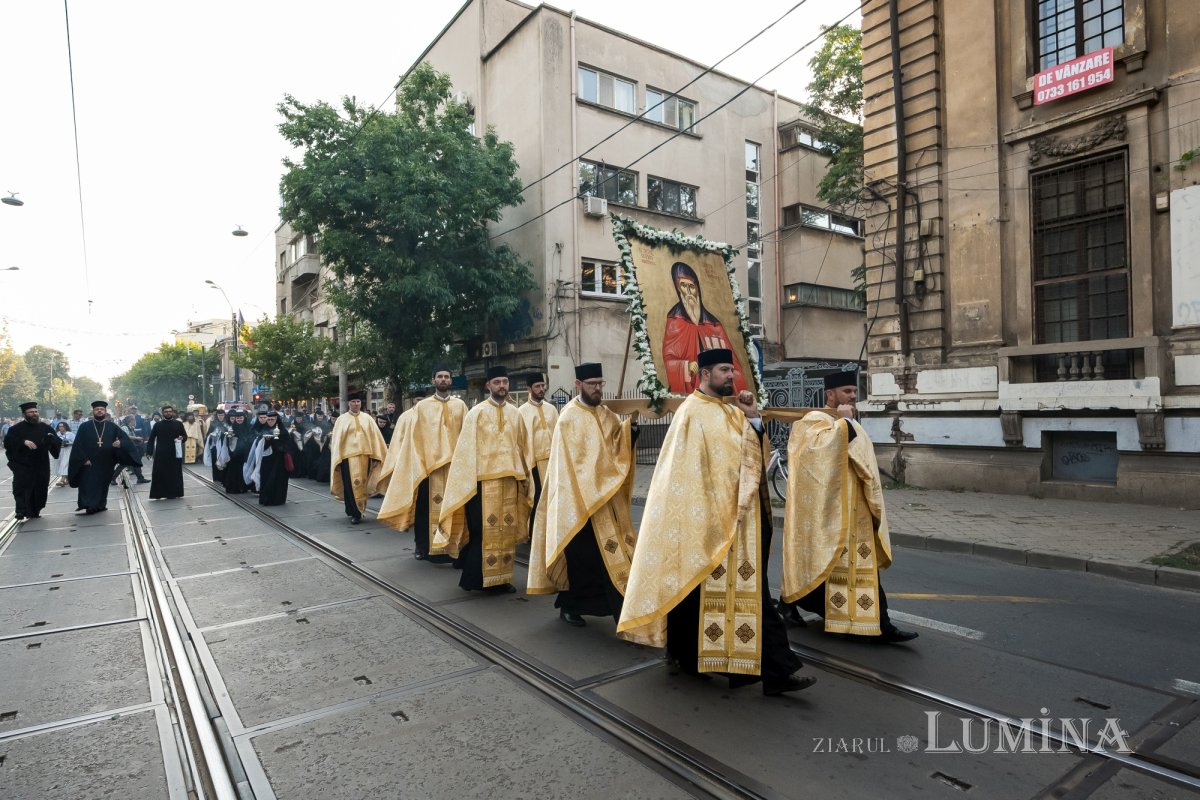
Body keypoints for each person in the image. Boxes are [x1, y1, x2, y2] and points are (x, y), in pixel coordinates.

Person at [617, 349, 814, 696]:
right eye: (724, 370)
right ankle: (684, 655)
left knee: (751, 598)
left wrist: (753, 418)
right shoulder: (690, 414)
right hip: (701, 521)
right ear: (704, 373)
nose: (731, 377)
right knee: (692, 592)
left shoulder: (732, 412)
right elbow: (679, 476)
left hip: (736, 522)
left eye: (732, 370)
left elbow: (753, 458)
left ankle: (777, 672)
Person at [779, 370, 918, 644]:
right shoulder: (812, 422)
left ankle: (880, 623)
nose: (853, 397)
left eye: (855, 392)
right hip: (830, 513)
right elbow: (814, 457)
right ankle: (792, 603)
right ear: (830, 395)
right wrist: (844, 424)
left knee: (864, 568)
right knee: (825, 567)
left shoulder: (848, 421)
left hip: (857, 513)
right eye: (846, 392)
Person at [528, 363, 637, 626]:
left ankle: (622, 611)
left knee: (613, 556)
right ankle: (570, 606)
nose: (598, 389)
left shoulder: (607, 413)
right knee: (582, 560)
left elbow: (615, 445)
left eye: (600, 383)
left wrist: (629, 433)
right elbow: (568, 466)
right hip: (577, 503)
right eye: (592, 385)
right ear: (579, 385)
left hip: (604, 499)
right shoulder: (568, 418)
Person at [438, 366, 534, 594]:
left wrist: (526, 477)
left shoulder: (516, 413)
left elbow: (523, 448)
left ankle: (501, 578)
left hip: (510, 481)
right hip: (483, 484)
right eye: (497, 382)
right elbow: (465, 452)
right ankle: (479, 579)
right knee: (484, 532)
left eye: (505, 382)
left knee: (506, 532)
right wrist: (466, 484)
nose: (502, 386)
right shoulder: (476, 413)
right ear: (488, 385)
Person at [377, 366, 467, 562]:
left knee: (453, 507)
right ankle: (422, 545)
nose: (443, 380)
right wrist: (418, 464)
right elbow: (414, 438)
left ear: (450, 381)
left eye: (447, 377)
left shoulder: (460, 406)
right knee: (424, 510)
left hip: (453, 468)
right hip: (428, 468)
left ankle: (451, 545)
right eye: (440, 377)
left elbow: (466, 437)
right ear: (433, 380)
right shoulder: (422, 407)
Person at [661, 261, 747, 396]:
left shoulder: (713, 324)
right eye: (683, 286)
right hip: (694, 391)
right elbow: (668, 359)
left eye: (692, 286)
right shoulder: (675, 320)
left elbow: (735, 366)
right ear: (678, 289)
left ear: (698, 289)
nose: (688, 291)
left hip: (718, 392)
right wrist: (685, 366)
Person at [68, 401, 138, 514]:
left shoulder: (112, 426)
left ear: (105, 412)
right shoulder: (84, 426)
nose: (99, 411)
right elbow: (78, 445)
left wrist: (120, 442)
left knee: (103, 484)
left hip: (106, 462)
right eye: (97, 409)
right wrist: (83, 459)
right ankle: (88, 505)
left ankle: (100, 504)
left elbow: (125, 439)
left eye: (102, 409)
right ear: (93, 412)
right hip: (89, 461)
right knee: (87, 483)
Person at [329, 392, 389, 524]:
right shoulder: (342, 419)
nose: (356, 404)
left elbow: (376, 438)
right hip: (347, 459)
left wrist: (378, 455)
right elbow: (337, 441)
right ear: (348, 403)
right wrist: (337, 458)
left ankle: (360, 509)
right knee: (350, 486)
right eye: (353, 402)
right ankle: (353, 511)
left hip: (365, 457)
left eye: (358, 402)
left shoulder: (367, 419)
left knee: (362, 485)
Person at [4, 401, 62, 520]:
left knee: (40, 487)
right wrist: (23, 442)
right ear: (24, 413)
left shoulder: (45, 427)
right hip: (23, 464)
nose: (34, 414)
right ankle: (21, 510)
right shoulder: (16, 429)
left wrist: (51, 440)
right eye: (31, 412)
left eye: (36, 411)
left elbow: (56, 441)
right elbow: (8, 443)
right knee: (21, 487)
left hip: (41, 463)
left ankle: (35, 510)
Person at [518, 371, 559, 536]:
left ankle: (552, 531)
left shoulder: (551, 409)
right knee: (536, 499)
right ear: (529, 389)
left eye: (543, 386)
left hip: (552, 461)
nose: (541, 389)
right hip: (533, 463)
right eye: (537, 386)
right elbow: (521, 441)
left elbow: (558, 433)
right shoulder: (521, 412)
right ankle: (535, 534)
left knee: (553, 497)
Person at [245, 410, 298, 506]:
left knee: (278, 480)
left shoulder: (283, 431)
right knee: (266, 479)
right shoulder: (264, 430)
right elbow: (258, 445)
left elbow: (288, 446)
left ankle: (278, 499)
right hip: (266, 460)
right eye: (268, 420)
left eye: (272, 420)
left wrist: (276, 443)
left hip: (279, 461)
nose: (270, 422)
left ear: (277, 420)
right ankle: (266, 499)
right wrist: (266, 441)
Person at [144, 405, 186, 500]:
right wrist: (149, 452)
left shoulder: (178, 424)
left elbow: (184, 436)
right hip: (161, 453)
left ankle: (174, 493)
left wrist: (181, 438)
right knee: (159, 473)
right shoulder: (157, 425)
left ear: (172, 412)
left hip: (174, 453)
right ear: (163, 413)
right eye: (166, 412)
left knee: (174, 473)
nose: (168, 413)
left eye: (170, 411)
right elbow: (151, 439)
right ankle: (158, 494)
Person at [221, 410, 255, 494]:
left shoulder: (249, 426)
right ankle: (234, 487)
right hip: (234, 453)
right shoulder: (232, 427)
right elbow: (228, 438)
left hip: (245, 452)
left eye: (241, 418)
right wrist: (228, 437)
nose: (239, 419)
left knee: (244, 469)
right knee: (234, 470)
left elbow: (252, 437)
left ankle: (244, 487)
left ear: (244, 418)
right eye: (237, 418)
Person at [304, 411, 333, 483]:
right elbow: (307, 432)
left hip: (322, 445)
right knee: (312, 459)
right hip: (314, 445)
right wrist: (313, 432)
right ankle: (312, 474)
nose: (320, 417)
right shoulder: (312, 423)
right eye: (318, 416)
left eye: (321, 416)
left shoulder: (326, 424)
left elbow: (326, 433)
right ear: (316, 416)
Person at [203, 409, 229, 484]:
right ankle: (216, 477)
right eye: (219, 415)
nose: (221, 417)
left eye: (222, 415)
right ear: (217, 416)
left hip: (224, 445)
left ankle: (223, 478)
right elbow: (208, 434)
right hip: (214, 446)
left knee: (224, 461)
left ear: (224, 415)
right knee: (215, 461)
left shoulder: (227, 423)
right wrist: (211, 436)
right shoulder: (213, 423)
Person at [53, 421, 74, 486]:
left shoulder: (70, 434)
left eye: (62, 426)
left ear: (65, 427)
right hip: (60, 450)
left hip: (68, 450)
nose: (61, 428)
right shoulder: (56, 434)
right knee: (60, 464)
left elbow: (75, 442)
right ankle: (68, 479)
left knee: (64, 464)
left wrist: (68, 443)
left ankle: (62, 480)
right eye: (60, 426)